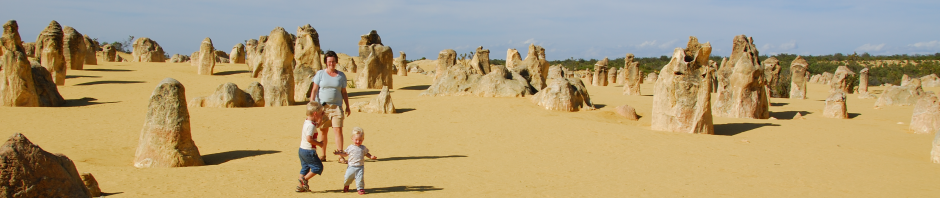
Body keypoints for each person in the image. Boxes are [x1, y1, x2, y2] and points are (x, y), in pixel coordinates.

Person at [309, 50, 352, 163]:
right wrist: (311, 104)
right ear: (326, 62)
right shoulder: (320, 74)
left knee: (338, 130)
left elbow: (344, 92)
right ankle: (322, 155)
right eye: (329, 61)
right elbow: (314, 90)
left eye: (333, 61)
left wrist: (347, 106)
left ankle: (340, 155)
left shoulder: (341, 76)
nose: (331, 64)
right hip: (323, 108)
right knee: (323, 131)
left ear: (336, 62)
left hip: (337, 107)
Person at [334, 127, 378, 195]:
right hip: (351, 166)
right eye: (356, 140)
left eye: (360, 140)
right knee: (347, 177)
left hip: (360, 167)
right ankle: (346, 185)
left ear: (363, 139)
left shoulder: (363, 148)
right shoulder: (350, 147)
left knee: (360, 178)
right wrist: (339, 153)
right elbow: (345, 154)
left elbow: (366, 153)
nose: (358, 141)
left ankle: (360, 188)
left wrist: (371, 156)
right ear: (352, 139)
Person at [297, 102, 326, 192]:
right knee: (318, 167)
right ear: (315, 113)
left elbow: (317, 125)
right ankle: (303, 181)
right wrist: (319, 144)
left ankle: (300, 187)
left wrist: (321, 117)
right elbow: (309, 139)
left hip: (302, 150)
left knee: (305, 168)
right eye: (320, 112)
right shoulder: (310, 126)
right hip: (309, 151)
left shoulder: (308, 122)